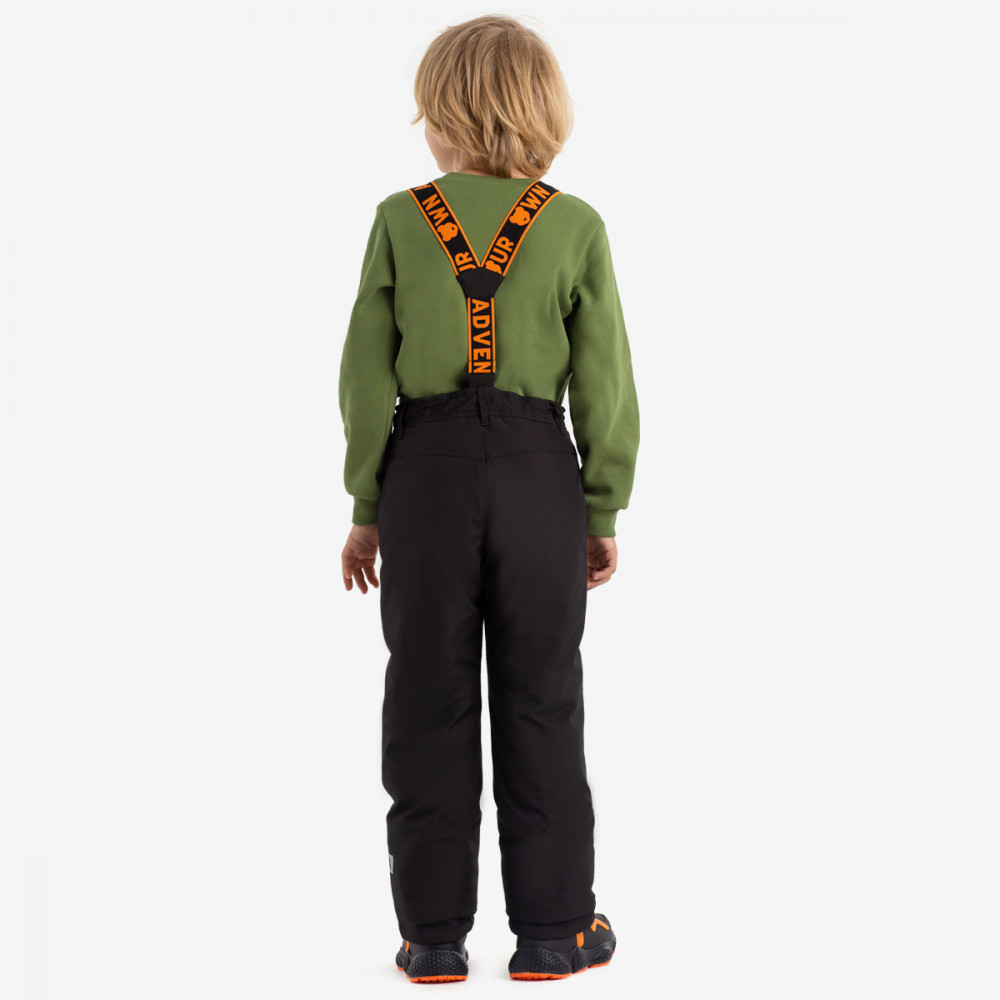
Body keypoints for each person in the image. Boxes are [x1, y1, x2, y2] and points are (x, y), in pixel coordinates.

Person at [338, 14, 639, 983]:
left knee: (425, 697)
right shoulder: (575, 224)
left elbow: (364, 378)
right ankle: (554, 931)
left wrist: (365, 505)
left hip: (423, 474)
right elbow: (606, 384)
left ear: (441, 121)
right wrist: (600, 509)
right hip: (538, 472)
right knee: (542, 697)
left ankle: (431, 937)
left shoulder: (400, 219)